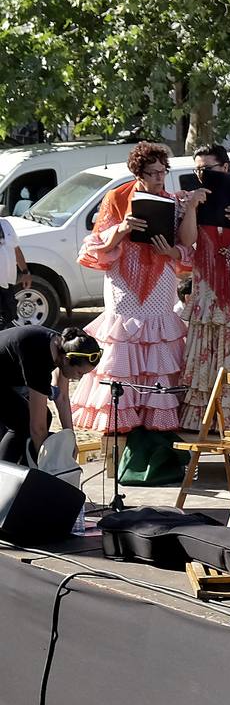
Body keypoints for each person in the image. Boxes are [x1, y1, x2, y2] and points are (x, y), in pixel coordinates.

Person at [71, 143, 191, 437]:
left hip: (160, 276)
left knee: (159, 337)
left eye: (163, 171)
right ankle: (121, 416)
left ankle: (157, 417)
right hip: (123, 278)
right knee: (122, 339)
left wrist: (186, 219)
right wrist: (122, 229)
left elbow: (188, 246)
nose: (159, 178)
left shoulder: (173, 201)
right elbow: (97, 243)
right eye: (152, 173)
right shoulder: (117, 197)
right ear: (138, 172)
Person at [177, 144, 230, 430]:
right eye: (198, 169)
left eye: (208, 168)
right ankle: (202, 430)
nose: (202, 174)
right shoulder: (190, 199)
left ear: (225, 167)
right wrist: (192, 206)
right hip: (206, 293)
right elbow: (187, 240)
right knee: (205, 358)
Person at [0, 326, 99, 465]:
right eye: (79, 373)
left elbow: (62, 398)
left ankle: (17, 472)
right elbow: (37, 428)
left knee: (38, 418)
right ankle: (6, 474)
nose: (79, 378)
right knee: (25, 421)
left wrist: (71, 441)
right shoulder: (38, 357)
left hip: (6, 378)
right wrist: (47, 463)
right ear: (66, 360)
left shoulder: (64, 346)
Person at [0, 213, 28, 326]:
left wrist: (25, 272)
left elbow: (16, 249)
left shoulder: (5, 224)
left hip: (7, 282)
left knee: (10, 313)